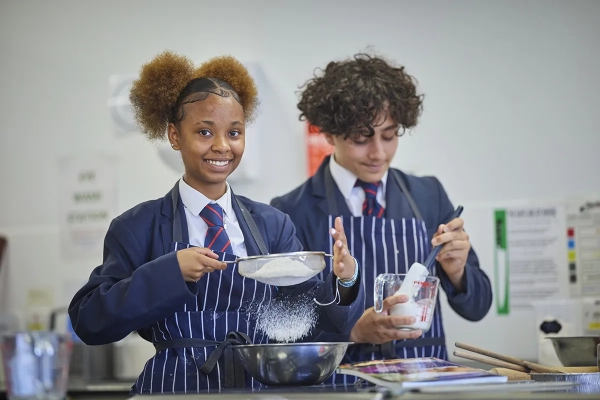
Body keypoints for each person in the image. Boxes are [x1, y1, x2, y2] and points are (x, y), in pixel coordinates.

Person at [68, 51, 364, 394]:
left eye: (234, 132)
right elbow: (90, 321)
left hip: (259, 388)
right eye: (205, 132)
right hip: (174, 389)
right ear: (175, 136)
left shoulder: (272, 225)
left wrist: (344, 282)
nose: (222, 146)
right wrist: (170, 271)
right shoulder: (138, 226)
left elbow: (309, 322)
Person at [270, 53, 493, 383]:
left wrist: (457, 271)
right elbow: (285, 323)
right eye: (361, 139)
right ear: (329, 134)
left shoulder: (428, 196)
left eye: (389, 136)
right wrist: (353, 330)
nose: (378, 153)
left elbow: (478, 307)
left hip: (423, 380)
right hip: (337, 384)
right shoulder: (292, 210)